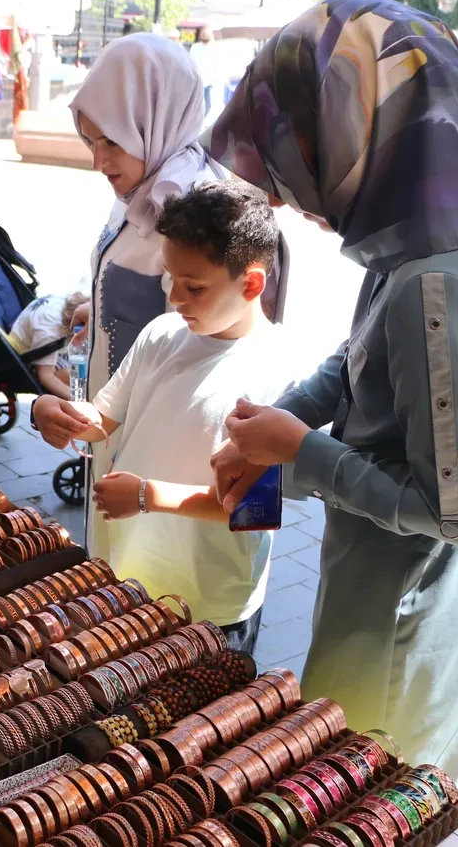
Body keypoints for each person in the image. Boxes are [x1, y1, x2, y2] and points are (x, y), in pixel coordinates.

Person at [206, 0, 458, 777]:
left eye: (292, 154)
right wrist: (284, 416)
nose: (284, 198)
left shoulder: (432, 283)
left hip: (412, 600)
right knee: (415, 784)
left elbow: (456, 512)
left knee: (363, 793)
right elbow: (368, 356)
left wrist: (299, 453)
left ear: (349, 122)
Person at [32, 181, 300, 652]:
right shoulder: (162, 333)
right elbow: (104, 418)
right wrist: (55, 412)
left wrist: (147, 496)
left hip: (210, 604)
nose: (176, 298)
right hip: (130, 575)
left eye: (194, 286)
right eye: (169, 278)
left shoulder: (276, 371)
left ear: (252, 282)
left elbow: (252, 511)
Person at [64, 33, 286, 562]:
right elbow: (154, 331)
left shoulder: (197, 214)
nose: (98, 161)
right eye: (90, 141)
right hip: (134, 502)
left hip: (188, 533)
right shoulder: (136, 196)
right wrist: (100, 308)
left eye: (111, 142)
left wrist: (148, 494)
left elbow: (253, 504)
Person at [8, 291, 89, 400]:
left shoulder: (69, 301)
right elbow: (46, 376)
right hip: (29, 352)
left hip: (48, 337)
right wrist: (79, 400)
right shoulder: (48, 332)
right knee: (71, 378)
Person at [187, 27, 216, 115]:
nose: (205, 36)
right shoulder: (195, 47)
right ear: (200, 35)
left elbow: (216, 65)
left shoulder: (213, 48)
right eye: (203, 34)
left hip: (208, 82)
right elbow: (191, 63)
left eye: (207, 34)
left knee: (208, 106)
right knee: (196, 106)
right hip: (197, 81)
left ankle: (200, 124)